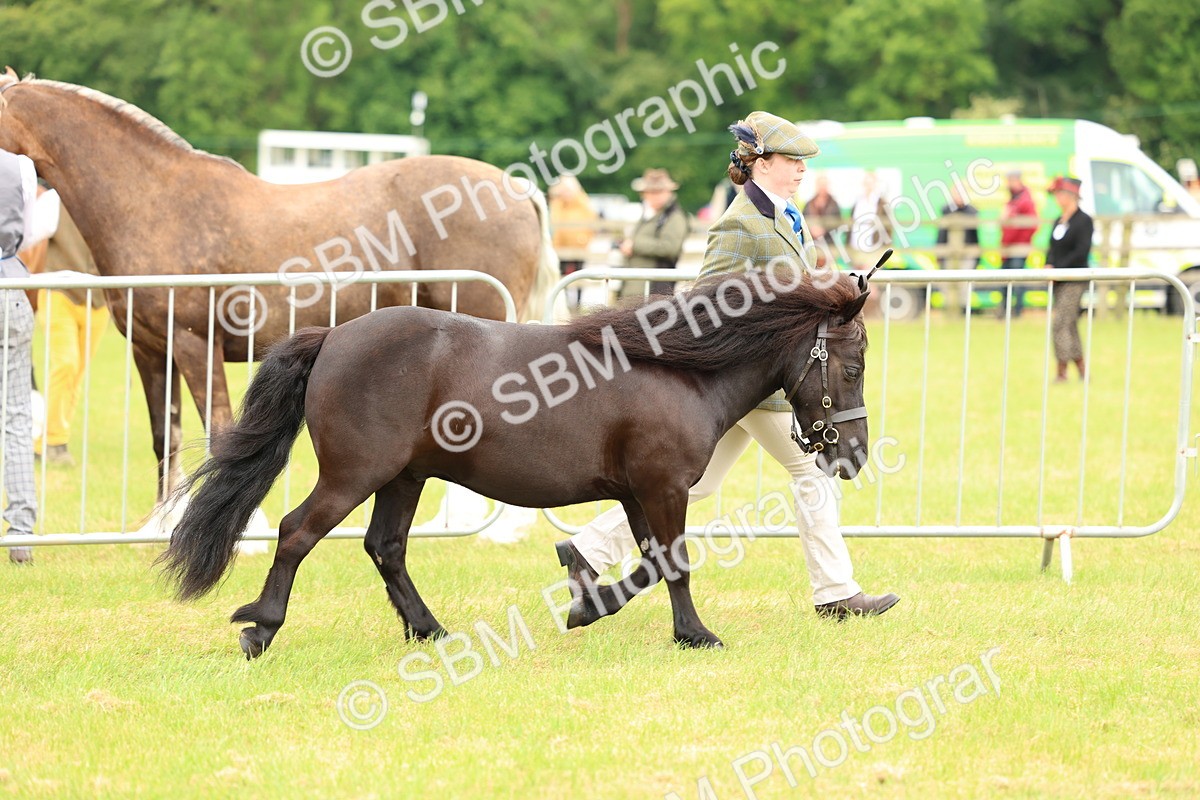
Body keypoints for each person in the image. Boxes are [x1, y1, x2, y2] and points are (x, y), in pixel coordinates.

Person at [555, 111, 899, 620]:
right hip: (752, 384)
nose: (802, 169)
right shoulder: (739, 224)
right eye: (792, 160)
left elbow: (785, 294)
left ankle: (588, 549)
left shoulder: (781, 217)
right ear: (762, 165)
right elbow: (704, 303)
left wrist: (834, 289)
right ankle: (836, 593)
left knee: (699, 483)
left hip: (761, 386)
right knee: (812, 470)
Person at [1, 147, 46, 565]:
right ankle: (20, 533)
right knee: (15, 416)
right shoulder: (21, 168)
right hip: (11, 289)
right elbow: (28, 236)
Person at [1045, 176, 1093, 382]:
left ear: (1070, 195)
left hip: (1075, 277)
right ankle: (1081, 368)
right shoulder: (1059, 220)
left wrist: (1058, 268)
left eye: (1059, 194)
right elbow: (1053, 248)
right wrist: (1049, 265)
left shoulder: (1084, 220)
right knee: (1069, 324)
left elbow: (1081, 251)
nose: (1057, 198)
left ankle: (1062, 369)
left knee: (1061, 324)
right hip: (1059, 279)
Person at [618, 168, 688, 298]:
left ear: (668, 192)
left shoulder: (675, 217)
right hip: (638, 289)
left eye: (658, 191)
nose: (653, 196)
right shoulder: (650, 214)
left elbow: (670, 247)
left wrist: (634, 245)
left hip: (653, 290)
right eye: (650, 192)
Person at [548, 175, 597, 310]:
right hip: (561, 246)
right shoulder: (558, 204)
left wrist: (584, 240)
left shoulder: (582, 203)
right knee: (562, 275)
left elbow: (591, 222)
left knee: (579, 274)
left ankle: (579, 303)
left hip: (579, 246)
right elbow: (554, 221)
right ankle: (566, 303)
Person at [998, 170, 1038, 317]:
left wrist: (1020, 240)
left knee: (1017, 280)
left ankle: (1017, 311)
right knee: (1004, 280)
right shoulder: (1013, 200)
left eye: (1011, 180)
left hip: (1018, 247)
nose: (1008, 183)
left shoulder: (1025, 201)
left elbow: (1032, 225)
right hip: (1008, 247)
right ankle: (1005, 310)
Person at [936, 185, 980, 314]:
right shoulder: (946, 211)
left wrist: (976, 255)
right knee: (947, 284)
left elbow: (975, 236)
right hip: (948, 254)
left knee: (964, 285)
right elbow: (941, 234)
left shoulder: (971, 212)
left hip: (967, 254)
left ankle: (963, 310)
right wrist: (940, 252)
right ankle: (950, 309)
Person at [848, 171, 892, 269]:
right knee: (857, 280)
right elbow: (851, 224)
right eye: (866, 183)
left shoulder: (882, 203)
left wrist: (884, 248)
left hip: (874, 249)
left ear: (876, 184)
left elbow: (889, 228)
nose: (868, 186)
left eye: (871, 183)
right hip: (856, 248)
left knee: (871, 279)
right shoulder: (858, 202)